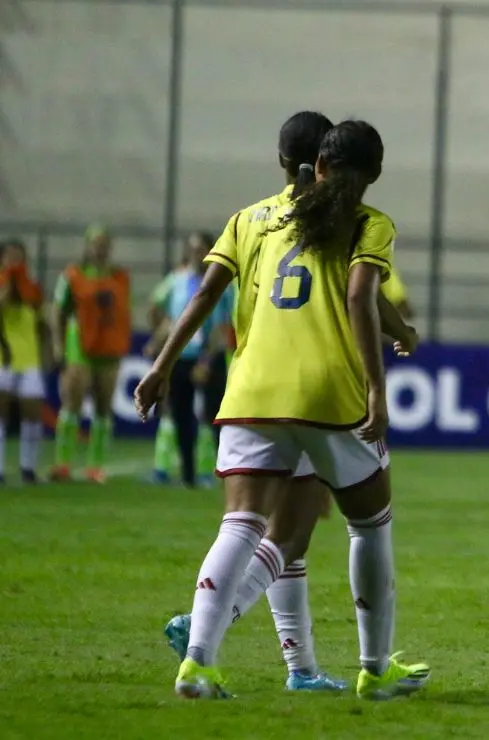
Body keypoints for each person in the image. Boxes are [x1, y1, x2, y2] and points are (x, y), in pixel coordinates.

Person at [136, 118, 428, 700]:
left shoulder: (252, 219)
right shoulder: (366, 222)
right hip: (327, 392)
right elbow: (358, 294)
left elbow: (204, 294)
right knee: (369, 525)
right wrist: (377, 384)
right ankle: (374, 669)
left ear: (307, 164)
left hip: (252, 388)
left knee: (241, 525)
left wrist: (161, 365)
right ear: (371, 176)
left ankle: (198, 662)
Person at [148, 233, 235, 488]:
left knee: (214, 415)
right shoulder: (176, 280)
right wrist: (158, 338)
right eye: (193, 249)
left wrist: (207, 361)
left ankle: (218, 472)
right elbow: (156, 306)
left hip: (208, 357)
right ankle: (188, 474)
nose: (197, 254)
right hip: (181, 357)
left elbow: (221, 326)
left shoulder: (220, 281)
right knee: (181, 415)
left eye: (202, 249)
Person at [51, 225, 131, 483]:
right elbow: (59, 311)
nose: (100, 248)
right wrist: (58, 345)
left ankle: (95, 466)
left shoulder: (120, 277)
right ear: (87, 246)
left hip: (109, 346)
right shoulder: (73, 275)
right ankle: (63, 463)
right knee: (72, 400)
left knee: (103, 406)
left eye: (105, 243)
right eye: (96, 243)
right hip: (80, 344)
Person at [0, 240, 49, 483]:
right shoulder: (2, 284)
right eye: (11, 256)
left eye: (20, 255)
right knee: (1, 412)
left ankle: (28, 468)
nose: (16, 260)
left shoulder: (33, 288)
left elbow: (41, 320)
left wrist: (48, 351)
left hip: (29, 356)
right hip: (3, 355)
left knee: (32, 412)